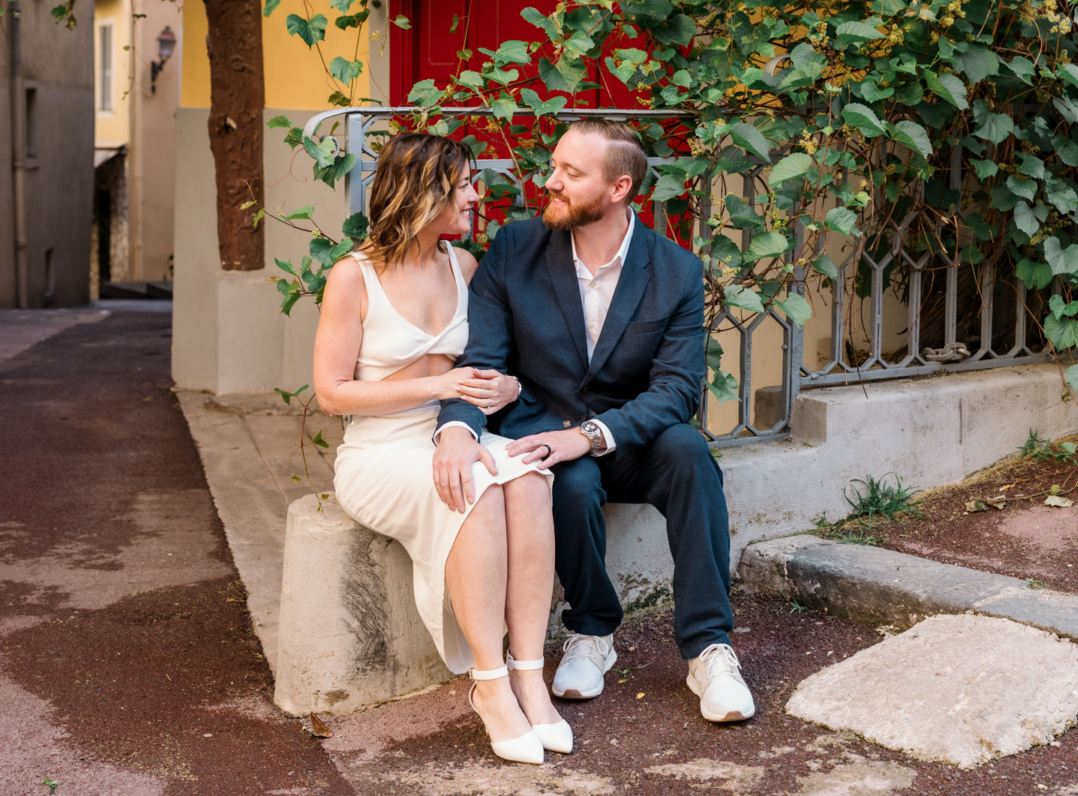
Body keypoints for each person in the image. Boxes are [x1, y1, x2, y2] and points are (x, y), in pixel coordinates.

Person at [434, 119, 755, 723]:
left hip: (630, 439)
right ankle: (591, 631)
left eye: (570, 174)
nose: (549, 181)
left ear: (618, 188)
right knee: (570, 482)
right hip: (543, 437)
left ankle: (709, 648)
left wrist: (586, 436)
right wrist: (457, 427)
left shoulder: (676, 271)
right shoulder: (516, 248)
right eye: (554, 166)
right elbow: (482, 359)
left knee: (689, 454)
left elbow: (679, 388)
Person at [313, 131, 572, 766]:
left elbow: (489, 365)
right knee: (478, 489)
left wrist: (505, 385)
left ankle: (530, 673)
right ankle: (490, 685)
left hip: (460, 430)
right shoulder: (353, 278)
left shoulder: (464, 267)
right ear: (422, 194)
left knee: (531, 478)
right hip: (379, 452)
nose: (477, 198)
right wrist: (439, 382)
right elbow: (331, 393)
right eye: (464, 187)